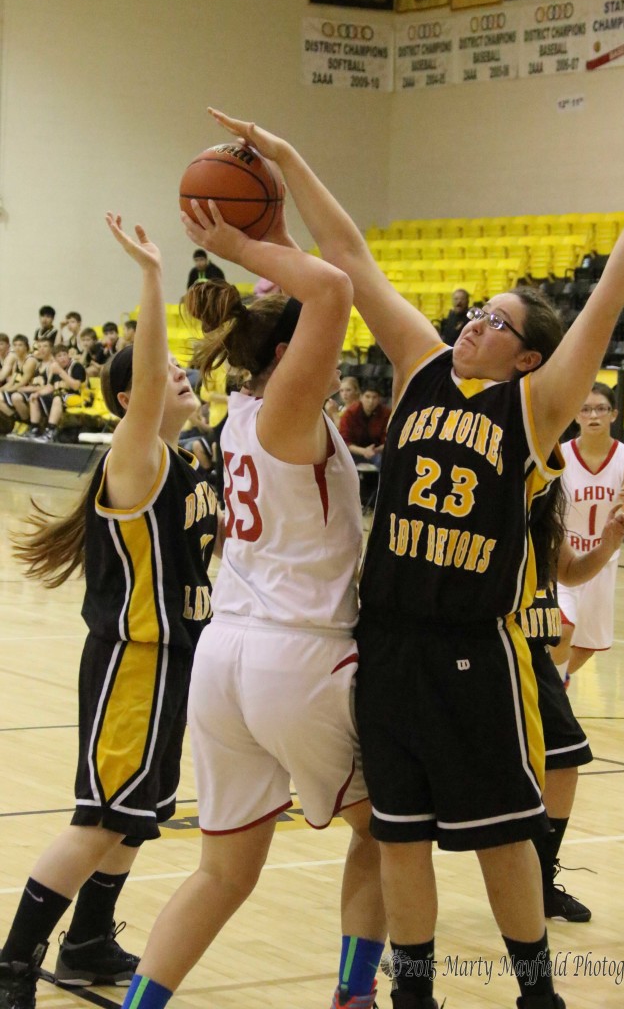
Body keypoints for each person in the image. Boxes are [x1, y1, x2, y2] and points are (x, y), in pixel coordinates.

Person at [207, 109, 624, 1009]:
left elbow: (609, 303)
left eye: (495, 322)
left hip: (474, 648)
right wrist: (288, 154)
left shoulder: (536, 409)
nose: (473, 323)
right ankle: (412, 996)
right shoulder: (422, 366)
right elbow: (346, 254)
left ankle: (535, 993)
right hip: (386, 642)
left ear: (527, 354)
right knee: (399, 835)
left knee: (504, 833)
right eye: (476, 312)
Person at [118, 194, 385, 1009]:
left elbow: (317, 291)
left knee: (222, 872)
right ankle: (355, 997)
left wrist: (264, 242)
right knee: (385, 835)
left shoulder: (235, 414)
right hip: (296, 652)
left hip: (224, 656)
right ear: (296, 347)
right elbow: (333, 289)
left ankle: (139, 1006)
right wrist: (240, 240)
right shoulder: (286, 412)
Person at [0, 214, 218, 1009]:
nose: (187, 383)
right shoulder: (137, 459)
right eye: (172, 378)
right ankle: (14, 961)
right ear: (135, 398)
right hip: (135, 657)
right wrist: (156, 277)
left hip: (179, 658)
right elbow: (154, 377)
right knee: (99, 817)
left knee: (136, 819)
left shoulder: (196, 459)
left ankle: (89, 939)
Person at [522, 481, 624, 923]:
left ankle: (541, 882)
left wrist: (607, 545)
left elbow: (568, 570)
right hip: (492, 645)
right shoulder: (491, 490)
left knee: (566, 756)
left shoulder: (545, 496)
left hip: (535, 650)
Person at [551, 382, 624, 685]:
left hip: (602, 563)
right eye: (586, 409)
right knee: (562, 630)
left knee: (587, 647)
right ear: (576, 415)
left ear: (614, 414)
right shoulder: (560, 456)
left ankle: (555, 685)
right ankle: (547, 695)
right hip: (564, 558)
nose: (593, 415)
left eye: (601, 409)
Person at [29, 343, 87, 443]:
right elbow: (50, 387)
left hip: (80, 397)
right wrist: (38, 393)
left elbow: (76, 386)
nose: (63, 358)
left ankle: (51, 431)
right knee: (34, 398)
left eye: (64, 354)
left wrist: (60, 372)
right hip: (63, 397)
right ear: (55, 359)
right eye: (59, 356)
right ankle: (35, 430)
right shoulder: (57, 369)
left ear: (69, 355)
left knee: (57, 398)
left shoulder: (76, 366)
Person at [0, 335, 38, 435]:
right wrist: (3, 389)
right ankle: (17, 419)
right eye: (15, 345)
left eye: (20, 345)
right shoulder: (16, 360)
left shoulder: (30, 360)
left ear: (26, 347)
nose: (17, 347)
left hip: (28, 390)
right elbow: (12, 380)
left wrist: (8, 390)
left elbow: (23, 382)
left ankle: (25, 422)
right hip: (17, 389)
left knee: (15, 397)